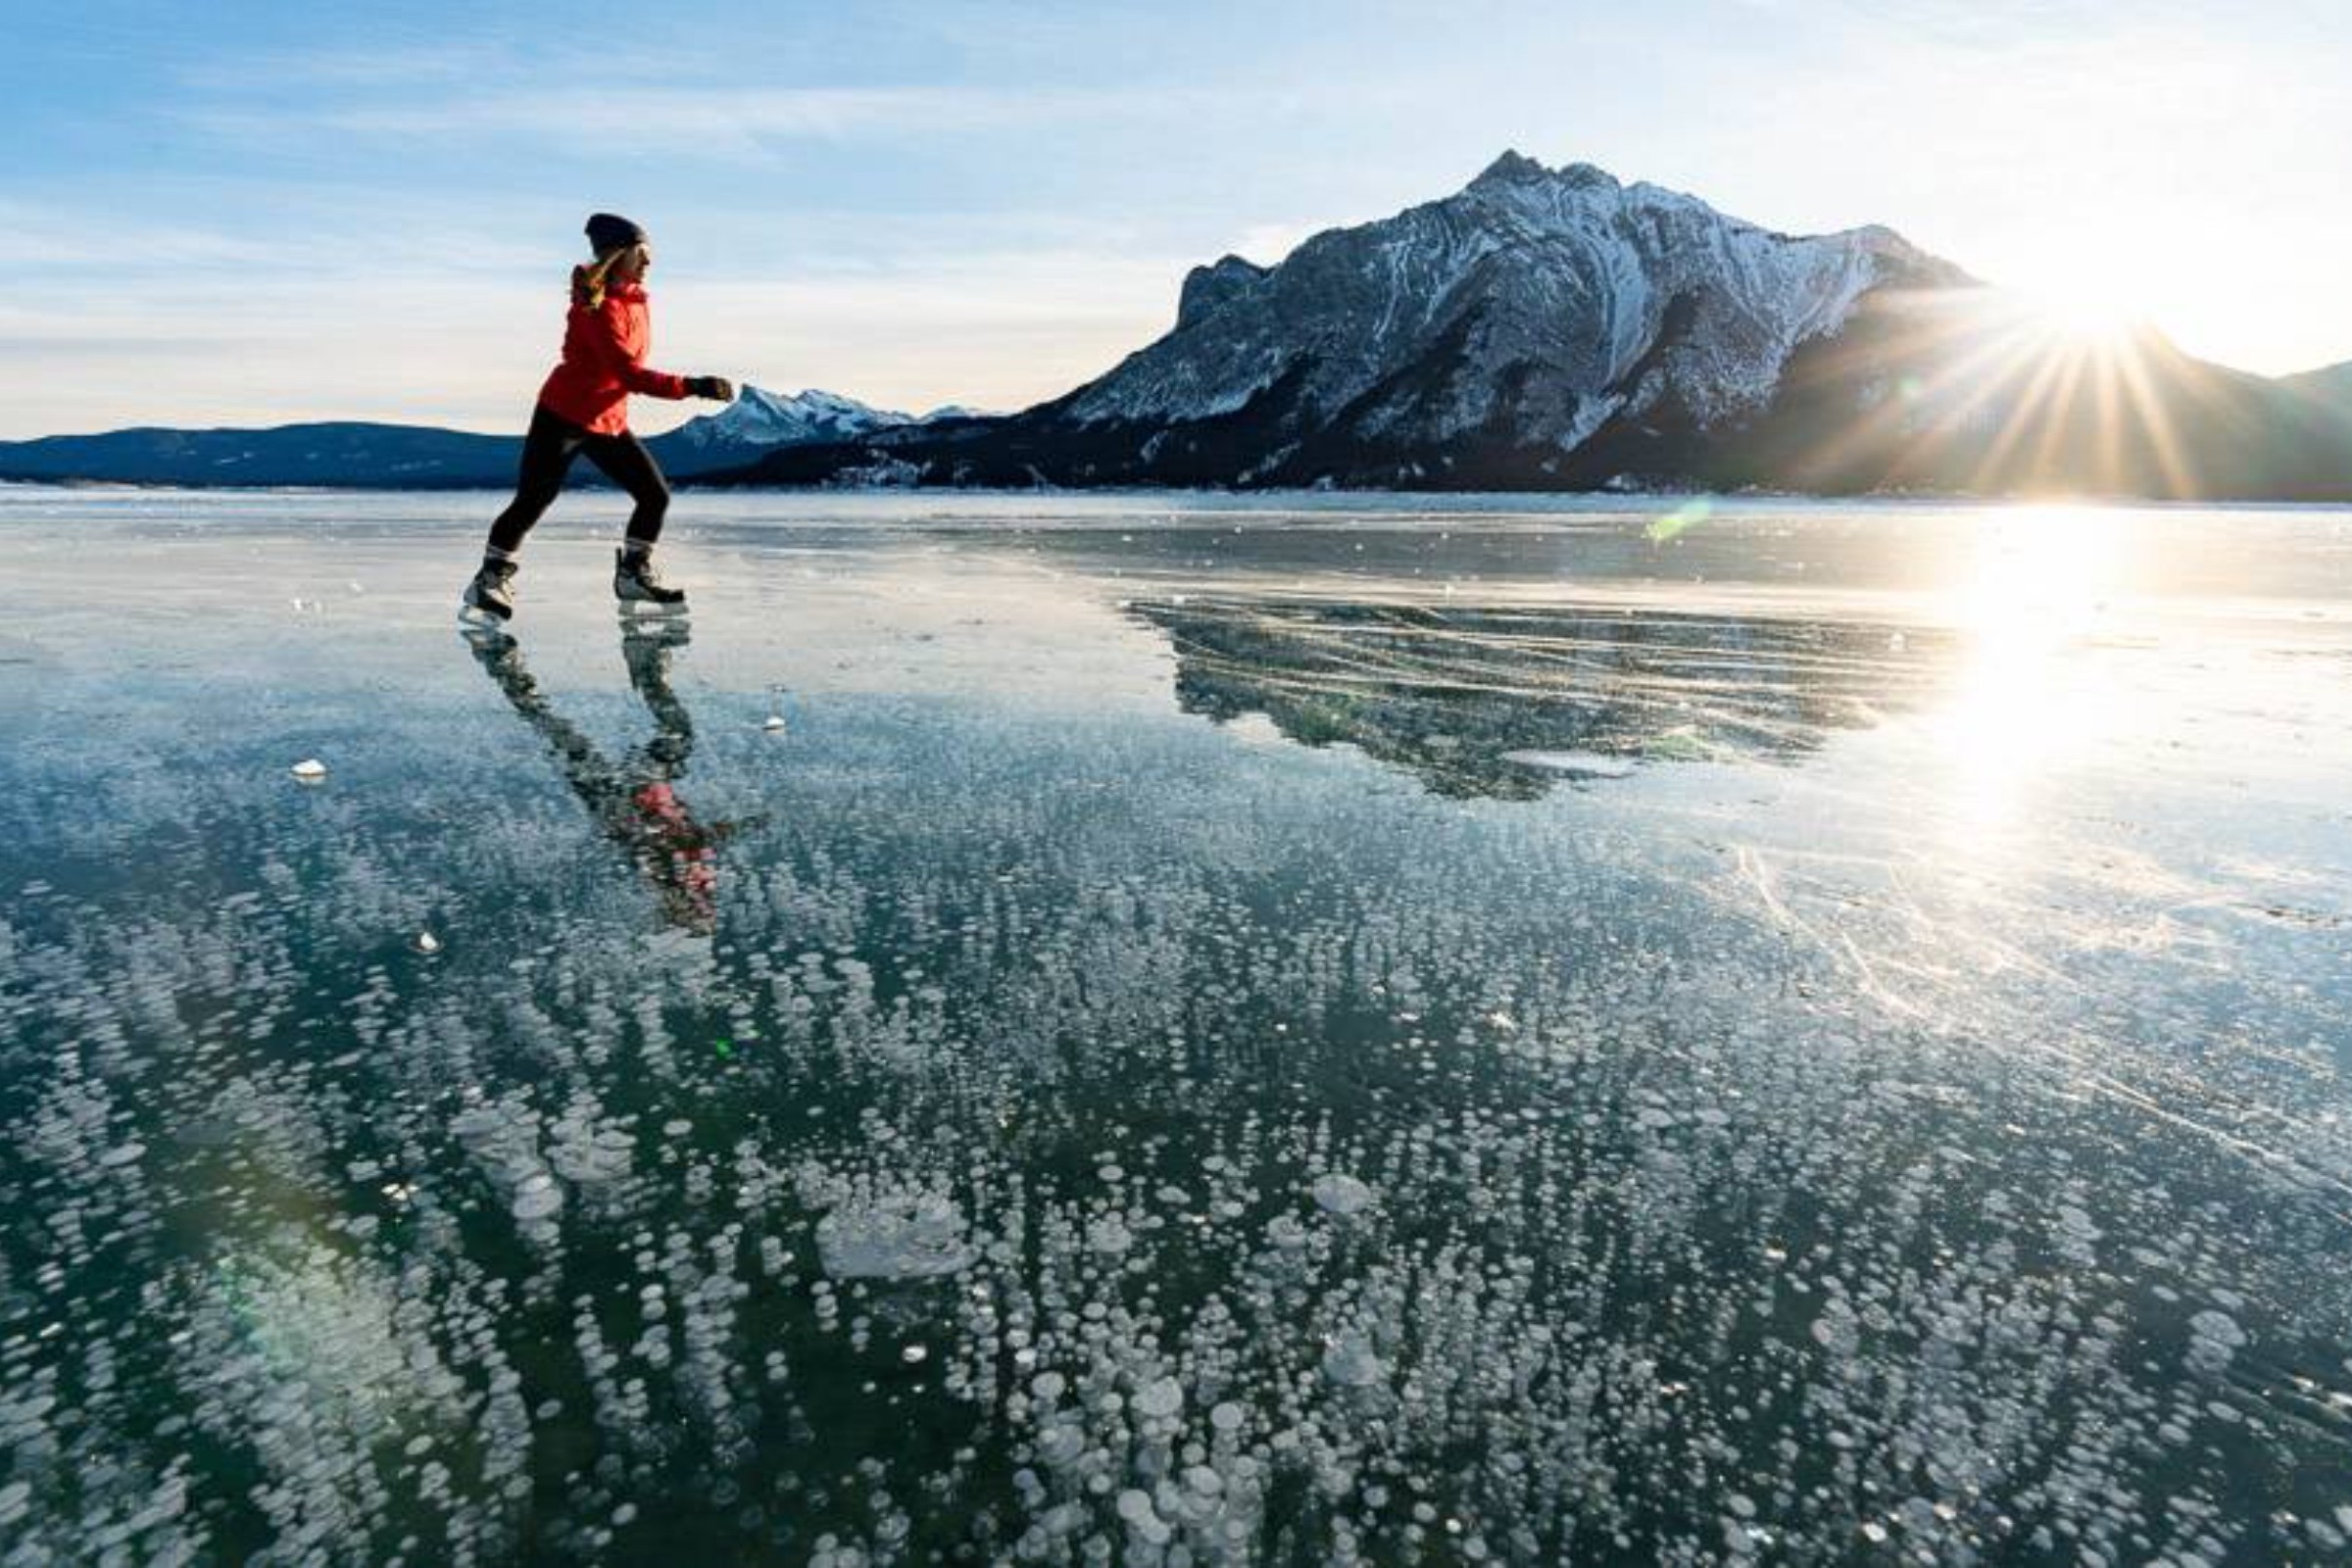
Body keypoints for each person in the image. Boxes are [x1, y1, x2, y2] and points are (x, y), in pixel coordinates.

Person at [462, 213, 736, 623]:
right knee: (534, 499)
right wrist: (692, 386)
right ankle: (489, 580)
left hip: (607, 418)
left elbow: (623, 376)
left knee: (654, 493)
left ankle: (633, 575)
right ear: (620, 254)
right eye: (642, 254)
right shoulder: (598, 306)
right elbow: (627, 373)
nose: (649, 263)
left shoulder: (635, 301)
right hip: (563, 415)